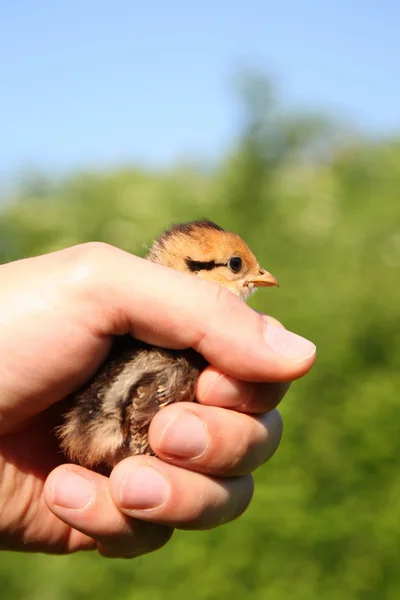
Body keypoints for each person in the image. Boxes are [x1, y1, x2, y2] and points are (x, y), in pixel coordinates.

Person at [0, 242, 316, 558]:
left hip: (74, 448)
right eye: (235, 265)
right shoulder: (145, 327)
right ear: (192, 267)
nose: (260, 276)